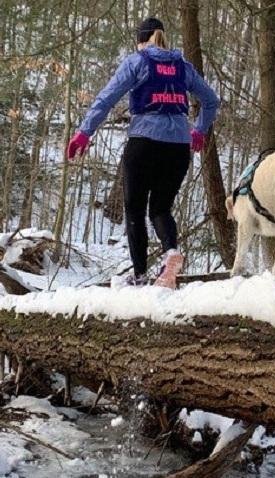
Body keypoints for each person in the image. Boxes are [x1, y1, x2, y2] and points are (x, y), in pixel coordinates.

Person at [67, 17, 219, 288]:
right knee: (161, 208)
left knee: (135, 209)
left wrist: (84, 132)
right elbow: (210, 100)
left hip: (144, 144)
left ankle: (139, 276)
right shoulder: (182, 67)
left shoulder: (136, 62)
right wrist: (199, 130)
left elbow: (107, 98)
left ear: (141, 40)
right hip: (178, 147)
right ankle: (171, 252)